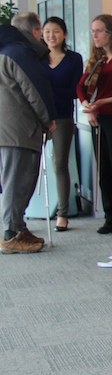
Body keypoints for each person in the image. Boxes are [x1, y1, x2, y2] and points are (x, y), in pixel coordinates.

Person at [0, 13, 55, 254]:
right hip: (17, 129)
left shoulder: (7, 49)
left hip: (9, 128)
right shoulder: (20, 53)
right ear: (35, 32)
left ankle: (18, 228)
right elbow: (35, 89)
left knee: (13, 181)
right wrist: (48, 118)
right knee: (17, 182)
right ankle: (11, 234)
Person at [76, 15, 112, 235]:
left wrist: (101, 103)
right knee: (104, 170)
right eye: (93, 31)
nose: (95, 36)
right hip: (99, 117)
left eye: (99, 31)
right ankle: (110, 217)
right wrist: (88, 106)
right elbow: (80, 87)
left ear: (111, 32)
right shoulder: (97, 60)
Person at [42, 16, 83, 231]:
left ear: (64, 34)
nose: (51, 36)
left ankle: (62, 213)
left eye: (56, 31)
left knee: (60, 164)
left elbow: (74, 90)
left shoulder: (73, 59)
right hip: (38, 116)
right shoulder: (37, 59)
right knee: (30, 165)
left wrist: (47, 93)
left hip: (62, 116)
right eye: (47, 31)